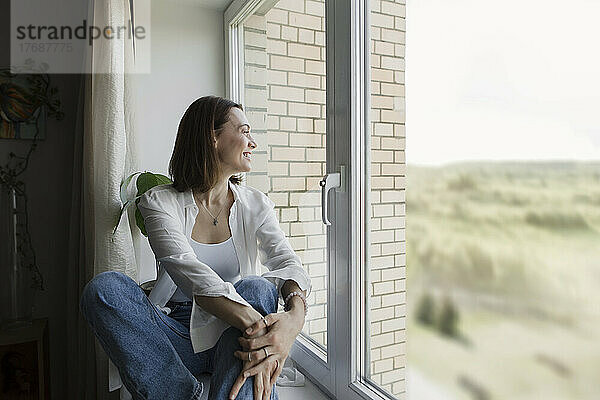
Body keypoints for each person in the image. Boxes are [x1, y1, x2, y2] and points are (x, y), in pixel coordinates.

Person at [79, 96, 312, 400]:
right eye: (244, 131)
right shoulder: (159, 202)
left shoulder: (256, 204)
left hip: (233, 337)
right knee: (104, 289)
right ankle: (181, 394)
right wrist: (258, 324)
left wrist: (294, 318)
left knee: (257, 288)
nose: (252, 142)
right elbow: (190, 274)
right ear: (213, 138)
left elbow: (286, 261)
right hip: (175, 336)